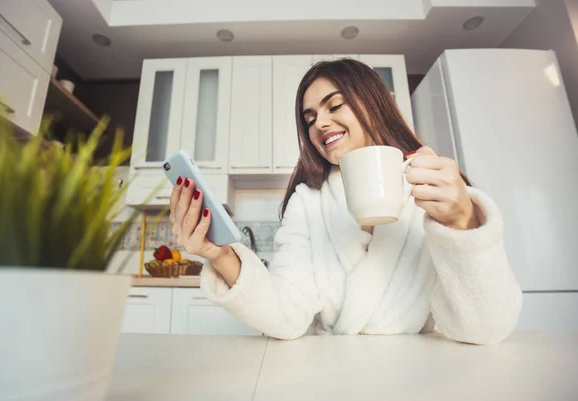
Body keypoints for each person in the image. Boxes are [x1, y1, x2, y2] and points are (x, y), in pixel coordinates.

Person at [169, 58, 522, 344]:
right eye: (310, 119)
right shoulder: (308, 202)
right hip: (333, 373)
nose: (320, 123)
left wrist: (461, 222)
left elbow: (484, 329)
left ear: (374, 104)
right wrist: (221, 255)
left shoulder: (433, 186)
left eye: (334, 105)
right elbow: (286, 316)